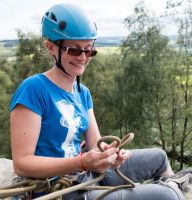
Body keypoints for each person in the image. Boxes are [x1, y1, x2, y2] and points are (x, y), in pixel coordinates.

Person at [10, 3, 192, 200]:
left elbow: (94, 145)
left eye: (89, 51)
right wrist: (81, 163)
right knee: (166, 195)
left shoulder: (83, 92)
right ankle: (173, 188)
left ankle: (174, 186)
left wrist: (109, 155)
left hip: (84, 175)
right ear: (51, 47)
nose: (82, 58)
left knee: (159, 157)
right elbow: (22, 163)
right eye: (74, 50)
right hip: (59, 191)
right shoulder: (34, 89)